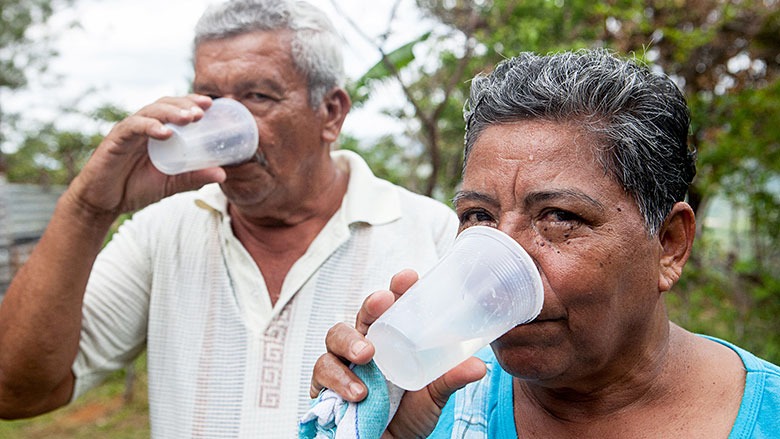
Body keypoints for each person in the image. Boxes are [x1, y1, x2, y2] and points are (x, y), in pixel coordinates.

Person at [0, 0, 459, 437]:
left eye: (256, 96)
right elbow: (16, 392)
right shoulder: (163, 230)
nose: (224, 123)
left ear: (331, 113)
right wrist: (88, 209)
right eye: (208, 97)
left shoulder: (431, 235)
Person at [309, 49, 780, 438]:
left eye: (558, 218)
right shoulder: (431, 406)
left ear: (669, 244)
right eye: (479, 217)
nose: (496, 269)